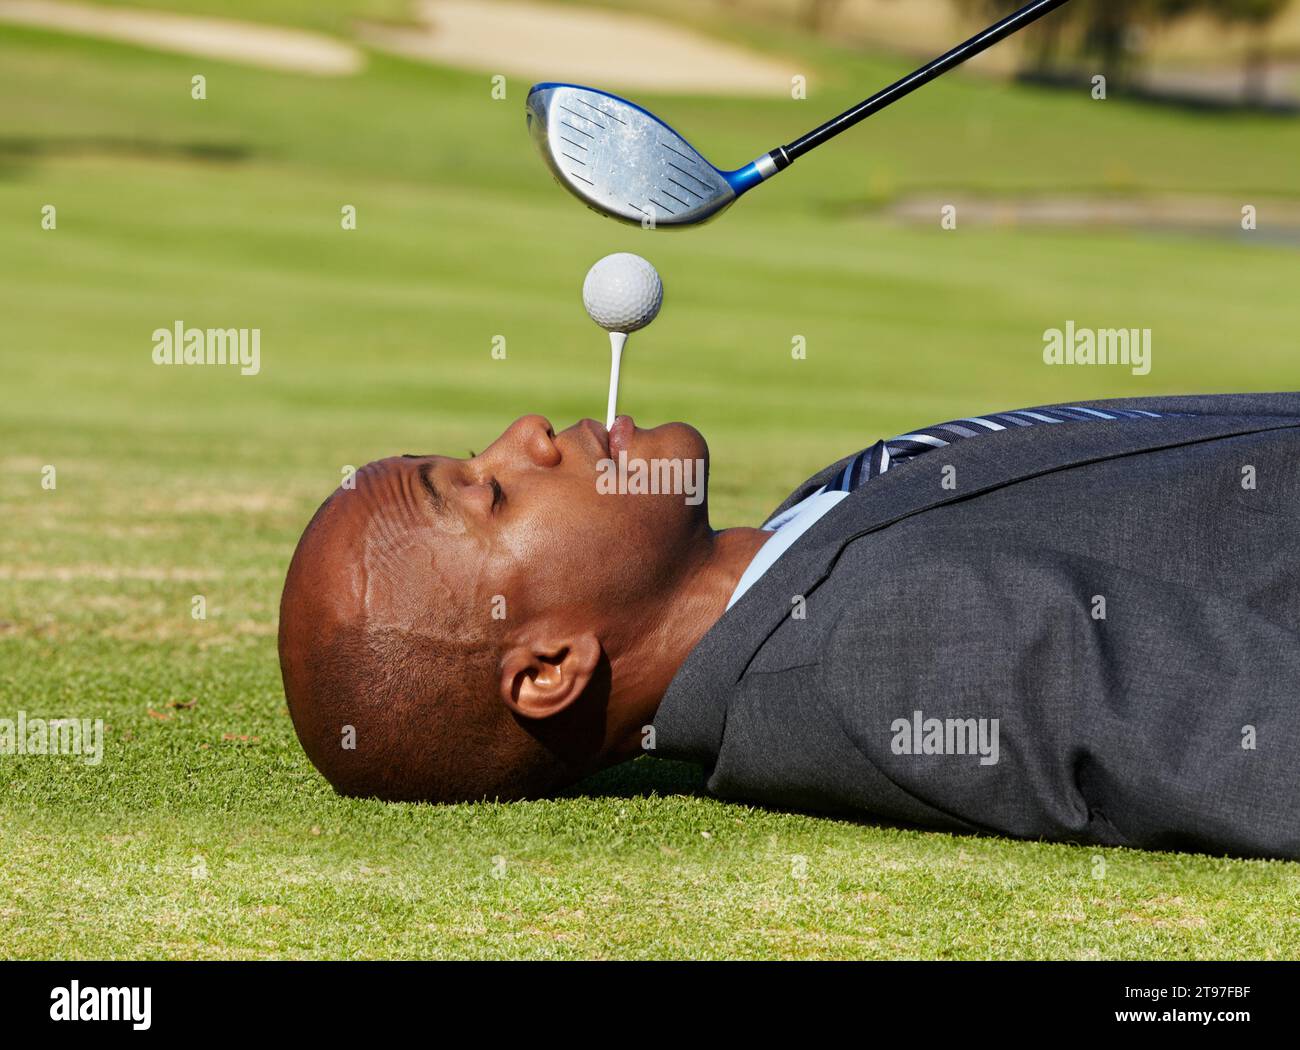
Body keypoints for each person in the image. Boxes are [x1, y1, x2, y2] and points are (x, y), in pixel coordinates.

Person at [278, 393, 1300, 859]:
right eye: (493, 493)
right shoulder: (881, 650)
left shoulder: (807, 538)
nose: (525, 435)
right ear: (551, 667)